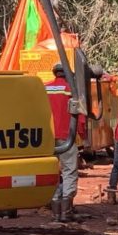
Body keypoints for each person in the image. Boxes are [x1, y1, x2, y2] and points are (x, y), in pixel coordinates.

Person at [44, 63, 83, 222]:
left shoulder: (44, 88)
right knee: (69, 170)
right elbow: (80, 116)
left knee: (52, 172)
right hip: (67, 136)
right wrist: (83, 135)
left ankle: (55, 211)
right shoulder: (72, 91)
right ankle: (66, 210)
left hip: (48, 138)